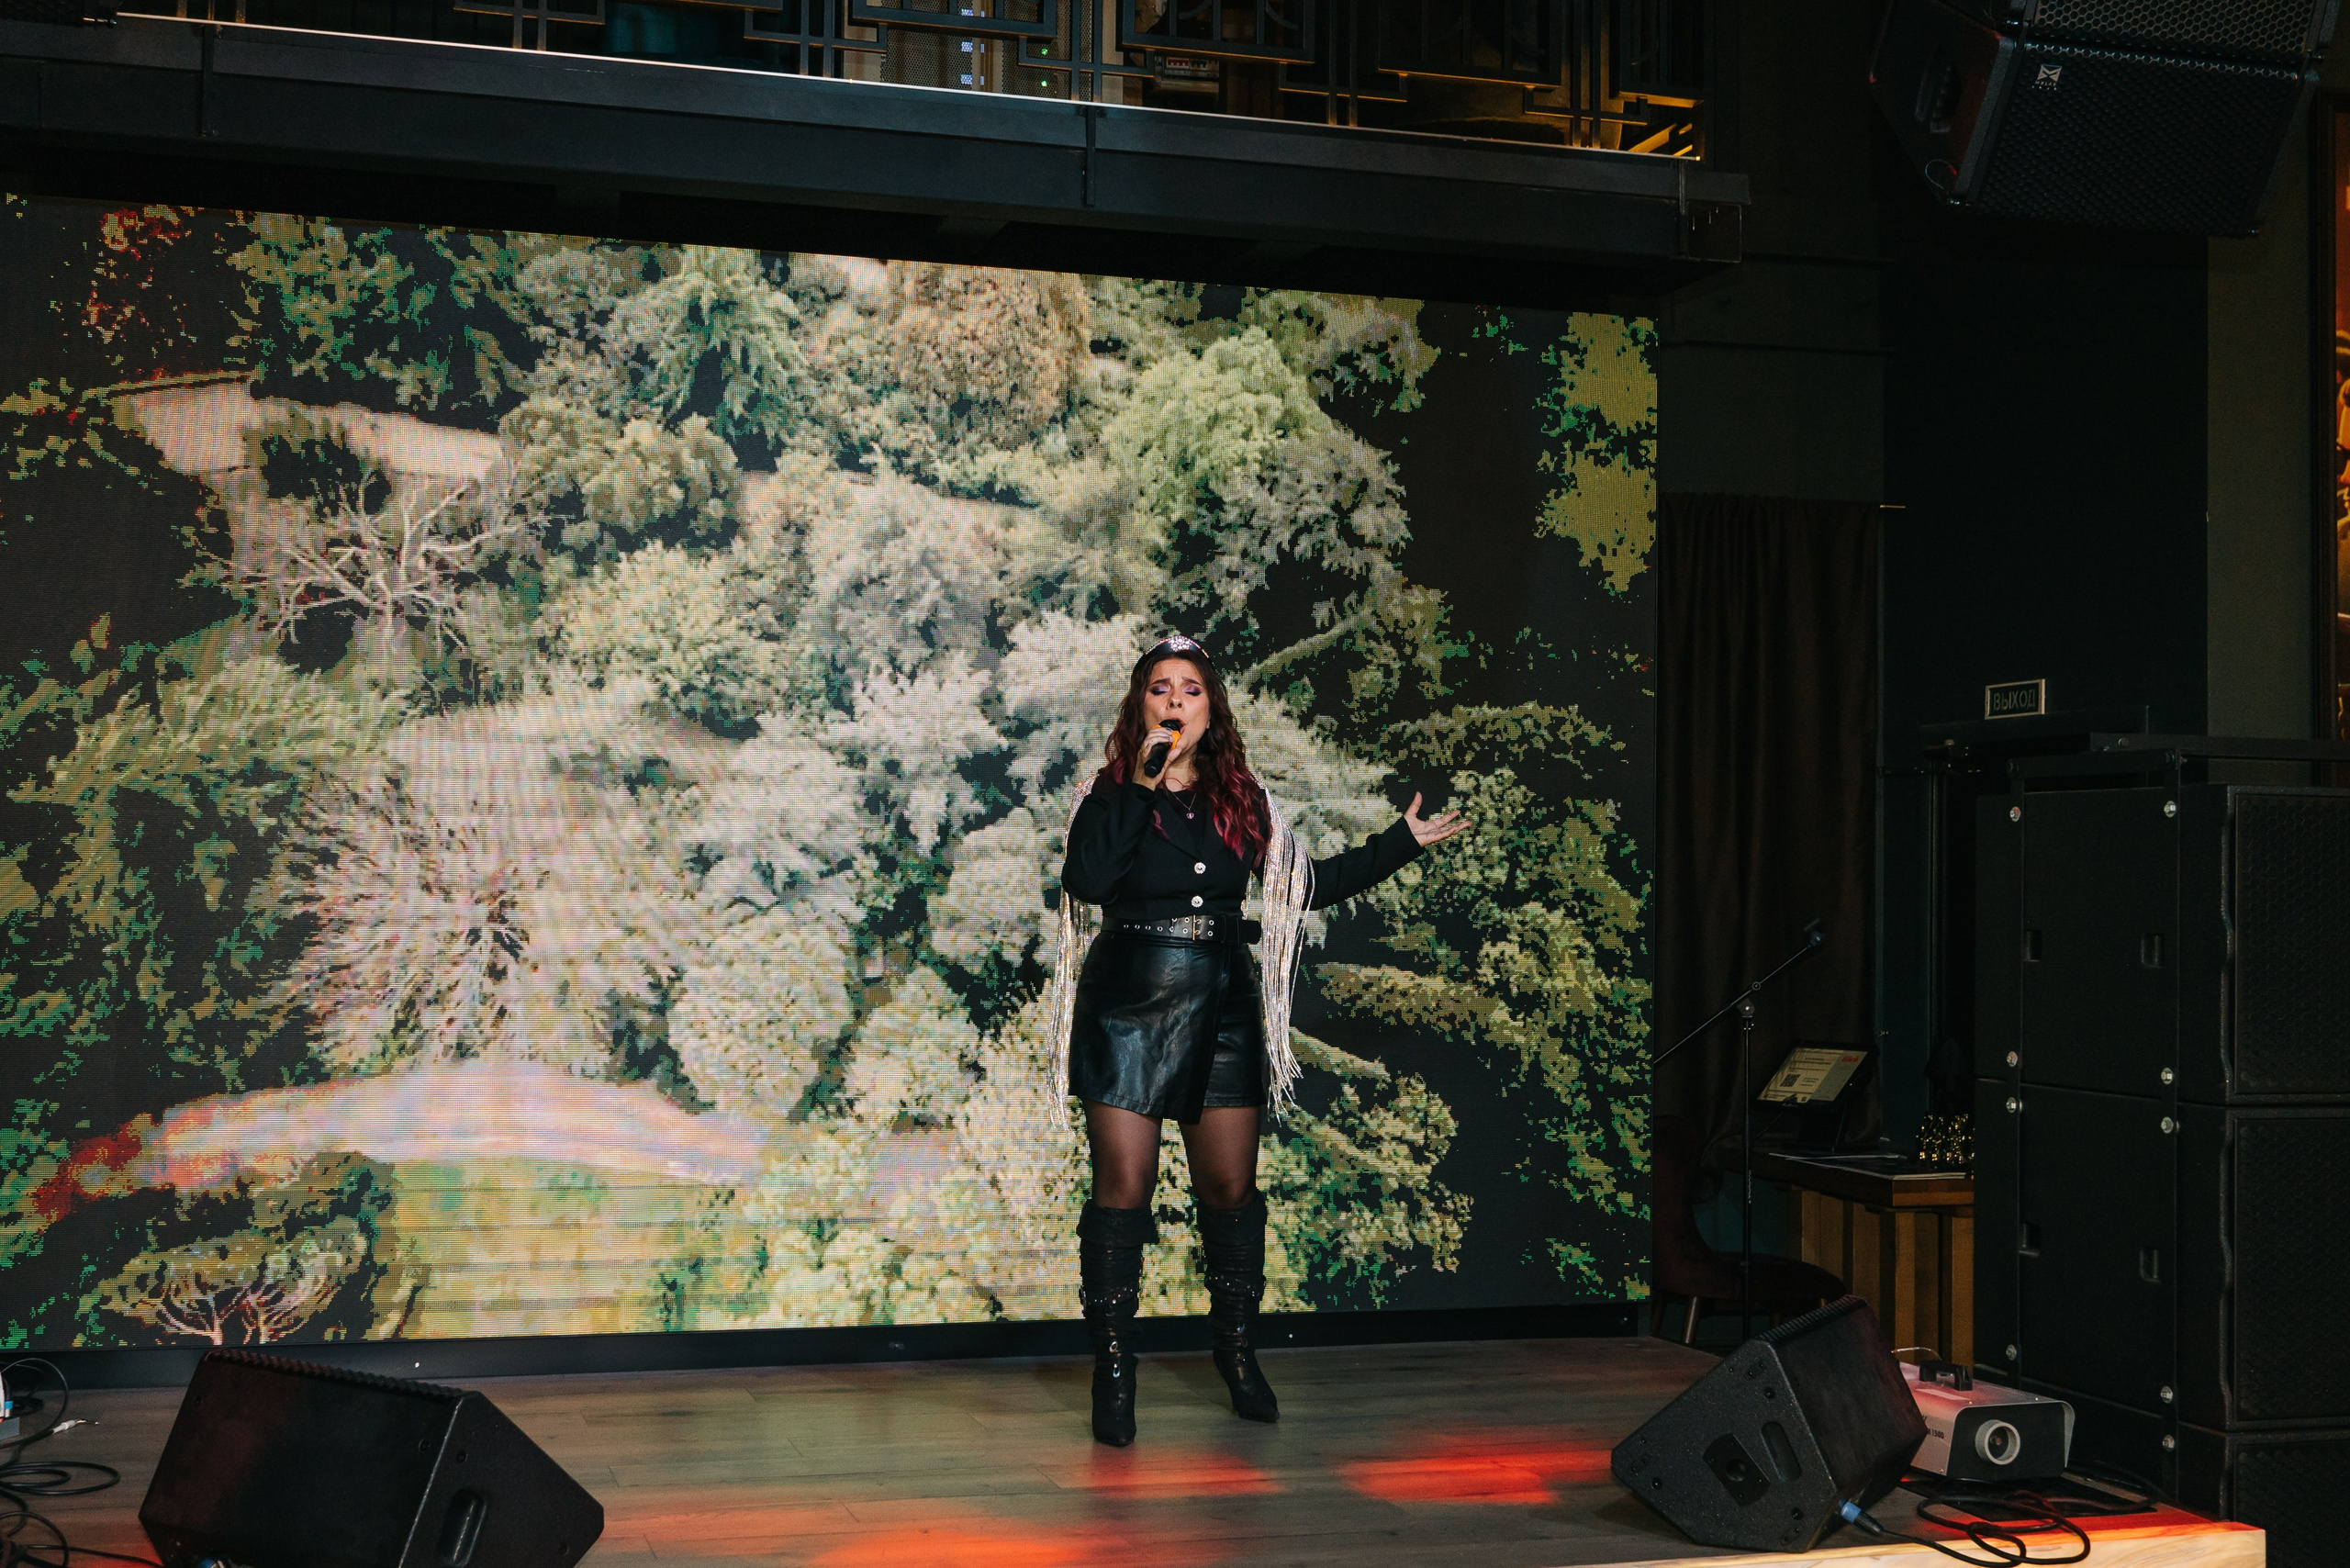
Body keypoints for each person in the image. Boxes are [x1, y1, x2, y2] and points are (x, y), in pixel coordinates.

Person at [1048, 633, 1468, 1447]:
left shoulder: (1244, 798)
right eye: (1161, 688)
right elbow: (1088, 882)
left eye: (1192, 689)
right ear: (1141, 705)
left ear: (1214, 706)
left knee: (1230, 1191)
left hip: (1224, 1000)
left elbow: (1302, 888)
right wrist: (1141, 784)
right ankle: (1113, 1366)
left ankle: (1237, 1353)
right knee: (1123, 1188)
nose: (1175, 700)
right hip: (1128, 999)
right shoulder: (1107, 792)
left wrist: (1397, 845)